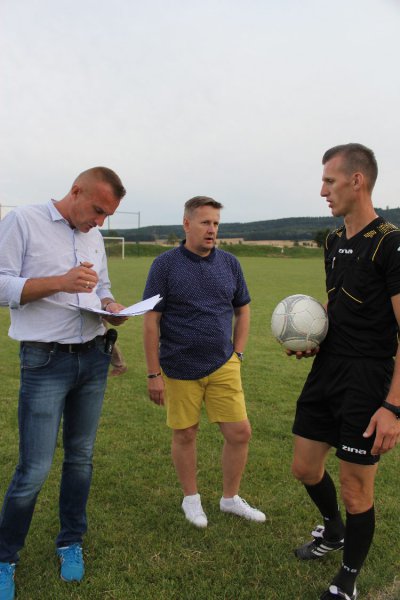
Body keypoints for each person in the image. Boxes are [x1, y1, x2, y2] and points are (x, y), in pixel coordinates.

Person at [0, 167, 127, 600]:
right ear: (76, 191)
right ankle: (5, 558)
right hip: (44, 360)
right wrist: (60, 282)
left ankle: (70, 541)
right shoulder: (23, 220)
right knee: (34, 468)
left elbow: (101, 287)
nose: (100, 222)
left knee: (81, 459)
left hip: (93, 356)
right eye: (97, 210)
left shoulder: (94, 236)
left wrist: (111, 306)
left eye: (108, 215)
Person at [290, 144, 400, 600]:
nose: (323, 191)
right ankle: (333, 531)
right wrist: (315, 335)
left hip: (368, 378)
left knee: (357, 490)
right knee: (304, 467)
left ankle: (347, 581)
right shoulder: (334, 241)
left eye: (329, 181)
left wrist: (393, 407)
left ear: (358, 181)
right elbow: (337, 302)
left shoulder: (390, 243)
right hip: (327, 368)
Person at [142, 196, 266, 528]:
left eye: (216, 224)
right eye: (205, 223)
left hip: (223, 364)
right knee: (185, 434)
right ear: (187, 224)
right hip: (179, 366)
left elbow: (243, 310)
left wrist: (238, 354)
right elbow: (151, 321)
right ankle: (191, 499)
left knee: (240, 433)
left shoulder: (230, 264)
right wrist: (153, 373)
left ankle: (230, 498)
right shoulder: (164, 265)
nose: (212, 230)